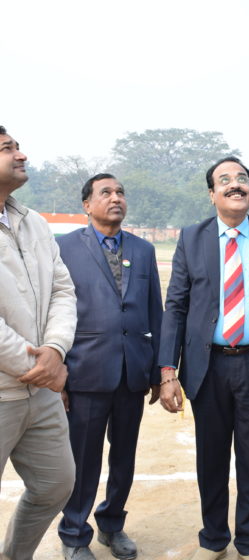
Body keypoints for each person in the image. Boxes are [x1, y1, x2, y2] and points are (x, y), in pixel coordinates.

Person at [159, 156, 249, 560]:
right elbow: (176, 306)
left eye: (242, 178)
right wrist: (168, 370)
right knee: (211, 459)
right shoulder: (192, 238)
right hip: (208, 366)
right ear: (212, 194)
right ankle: (214, 539)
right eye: (225, 180)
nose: (235, 184)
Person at [56, 173, 163, 560]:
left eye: (120, 192)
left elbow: (155, 311)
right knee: (82, 459)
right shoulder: (65, 248)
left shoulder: (143, 250)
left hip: (132, 373)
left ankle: (112, 524)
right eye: (106, 193)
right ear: (87, 205)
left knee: (124, 458)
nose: (116, 198)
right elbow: (53, 311)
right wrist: (58, 374)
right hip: (85, 371)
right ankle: (74, 534)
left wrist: (158, 371)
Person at [0, 125, 77, 560]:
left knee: (55, 485)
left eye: (18, 147)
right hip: (6, 389)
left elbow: (63, 291)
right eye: (7, 149)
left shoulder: (34, 223)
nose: (21, 155)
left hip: (41, 393)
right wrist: (37, 365)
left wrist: (56, 349)